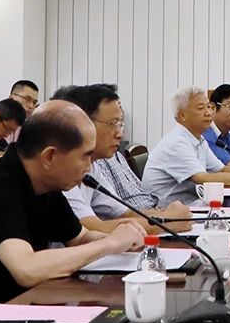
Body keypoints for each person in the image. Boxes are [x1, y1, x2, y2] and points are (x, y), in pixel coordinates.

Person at [0, 101, 146, 323]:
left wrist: (123, 239)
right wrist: (108, 244)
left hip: (18, 310)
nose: (89, 167)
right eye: (84, 156)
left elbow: (79, 237)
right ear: (49, 157)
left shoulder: (44, 184)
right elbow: (27, 269)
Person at [55, 83, 192, 235]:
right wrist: (168, 221)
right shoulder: (62, 169)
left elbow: (125, 214)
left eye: (120, 124)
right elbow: (92, 229)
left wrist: (167, 216)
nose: (120, 134)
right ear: (84, 124)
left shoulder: (92, 166)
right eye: (113, 124)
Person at [142, 86, 230, 204]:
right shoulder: (177, 143)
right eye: (201, 108)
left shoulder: (199, 139)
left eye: (209, 107)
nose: (209, 113)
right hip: (166, 211)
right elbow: (204, 179)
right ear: (182, 115)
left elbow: (222, 170)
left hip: (193, 204)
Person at [4, 79, 41, 146]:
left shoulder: (32, 129)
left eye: (34, 102)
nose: (31, 106)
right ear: (11, 97)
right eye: (27, 99)